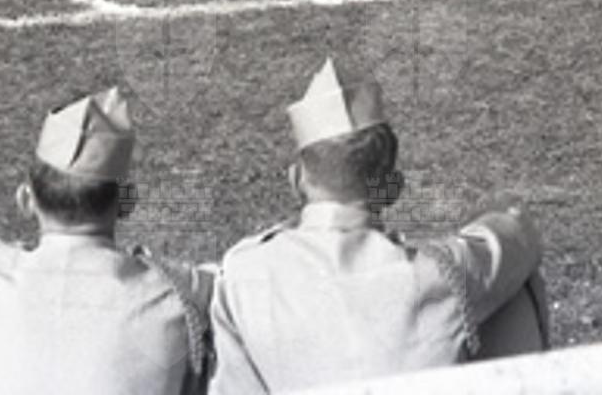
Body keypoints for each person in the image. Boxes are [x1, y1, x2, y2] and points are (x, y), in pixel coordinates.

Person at [209, 57, 547, 391]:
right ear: (392, 187)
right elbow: (521, 236)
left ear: (296, 179)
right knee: (513, 288)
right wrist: (493, 213)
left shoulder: (242, 274)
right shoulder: (441, 272)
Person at [0, 86, 213, 393]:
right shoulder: (179, 291)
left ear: (25, 198)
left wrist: (11, 254)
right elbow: (231, 283)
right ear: (127, 203)